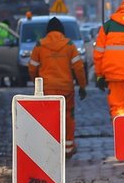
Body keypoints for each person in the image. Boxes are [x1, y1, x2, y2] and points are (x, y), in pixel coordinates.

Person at [27, 17, 87, 158]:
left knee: (48, 118)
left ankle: (50, 148)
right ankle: (68, 148)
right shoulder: (69, 45)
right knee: (68, 117)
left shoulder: (40, 46)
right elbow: (78, 68)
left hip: (46, 89)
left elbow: (32, 67)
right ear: (62, 31)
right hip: (66, 89)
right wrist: (82, 86)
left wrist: (36, 82)